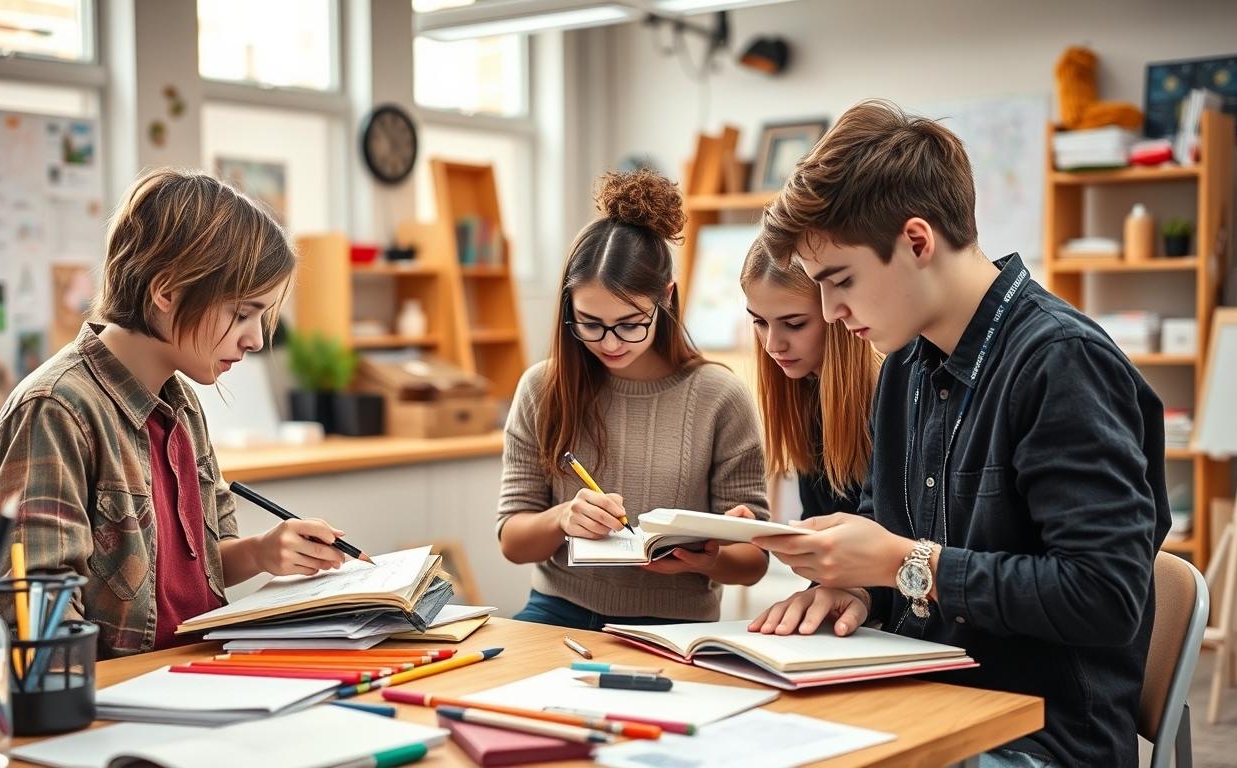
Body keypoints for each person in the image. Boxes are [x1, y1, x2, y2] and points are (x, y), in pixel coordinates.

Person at [747, 100, 1169, 768]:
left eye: (840, 281)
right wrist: (854, 583)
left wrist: (903, 563)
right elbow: (888, 548)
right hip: (920, 699)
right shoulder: (903, 372)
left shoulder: (1060, 362)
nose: (829, 311)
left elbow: (1106, 596)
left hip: (1039, 739)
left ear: (917, 241)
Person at [0, 168, 354, 658]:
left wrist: (261, 552)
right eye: (242, 313)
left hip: (195, 678)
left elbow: (199, 570)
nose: (255, 339)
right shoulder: (56, 410)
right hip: (115, 704)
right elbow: (36, 612)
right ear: (167, 291)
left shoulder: (182, 402)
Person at [497, 169, 769, 630]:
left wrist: (706, 557)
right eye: (589, 322)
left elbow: (754, 563)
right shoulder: (541, 389)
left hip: (676, 627)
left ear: (666, 299)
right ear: (569, 306)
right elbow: (512, 541)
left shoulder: (721, 397)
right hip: (557, 611)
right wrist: (563, 518)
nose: (609, 343)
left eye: (630, 323)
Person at [741, 240, 879, 519]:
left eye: (794, 325)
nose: (772, 345)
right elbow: (817, 523)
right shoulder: (805, 390)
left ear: (837, 313)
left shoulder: (889, 396)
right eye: (760, 323)